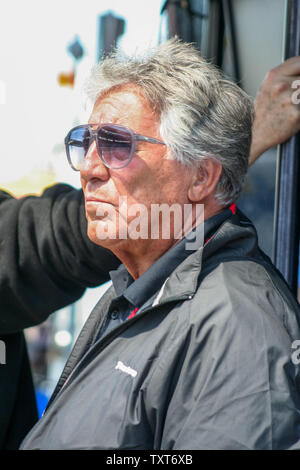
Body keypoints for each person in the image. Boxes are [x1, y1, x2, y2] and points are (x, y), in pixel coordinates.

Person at [14, 38, 300, 450]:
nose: (89, 168)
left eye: (116, 144)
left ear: (201, 177)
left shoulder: (236, 322)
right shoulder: (141, 292)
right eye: (86, 142)